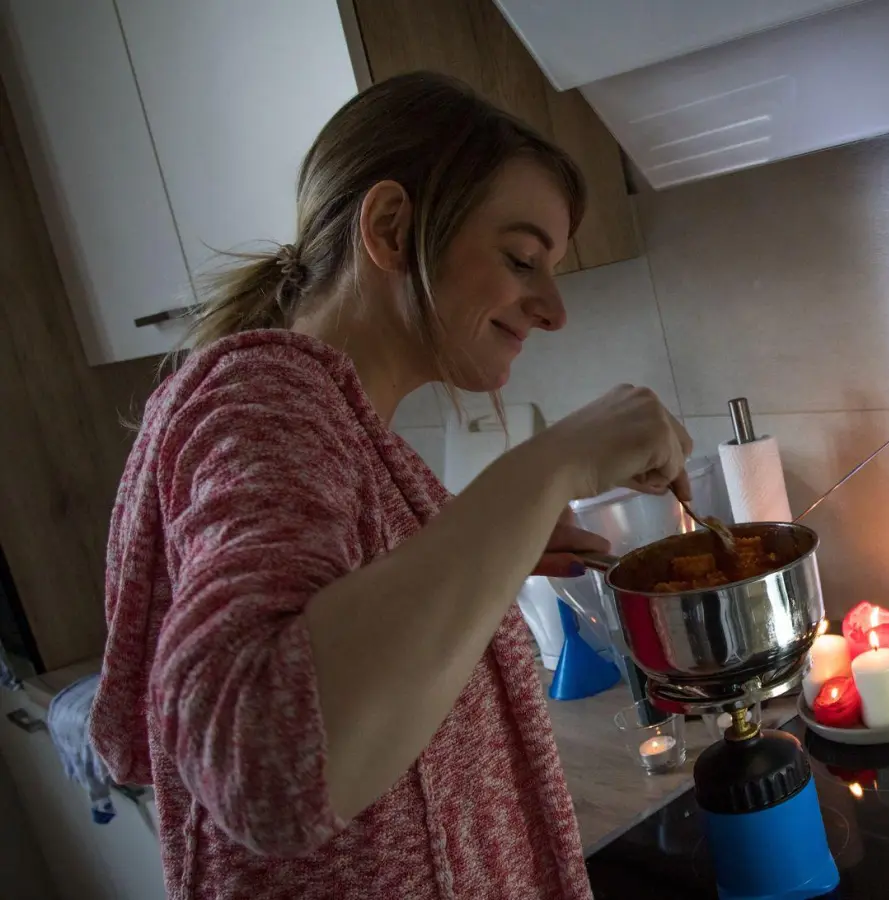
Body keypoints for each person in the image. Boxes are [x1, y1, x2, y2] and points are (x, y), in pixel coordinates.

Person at [88, 72, 691, 899]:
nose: (553, 309)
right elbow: (265, 763)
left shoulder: (346, 431)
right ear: (391, 227)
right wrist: (550, 465)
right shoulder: (265, 399)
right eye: (522, 259)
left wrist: (483, 550)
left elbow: (344, 646)